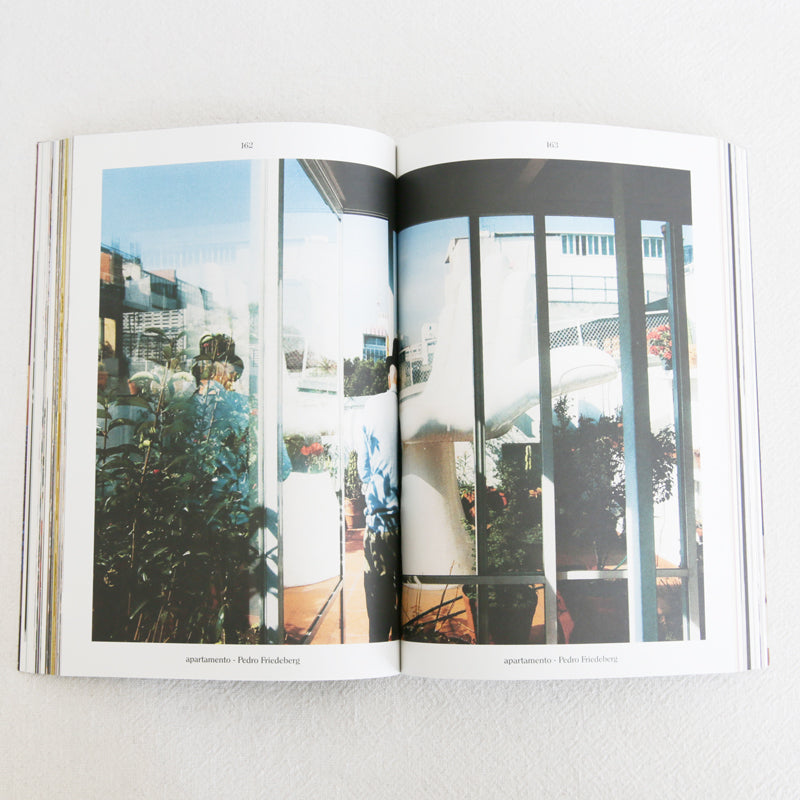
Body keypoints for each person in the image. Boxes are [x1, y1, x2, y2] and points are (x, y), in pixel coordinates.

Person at [356, 345, 400, 641]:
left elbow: (364, 467)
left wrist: (373, 491)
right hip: (413, 525)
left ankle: (378, 647)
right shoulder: (419, 404)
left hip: (380, 521)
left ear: (390, 374)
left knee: (377, 596)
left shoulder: (373, 406)